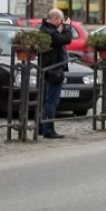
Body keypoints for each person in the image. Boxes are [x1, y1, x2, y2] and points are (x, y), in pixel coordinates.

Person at [38, 9, 72, 139]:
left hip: (48, 70)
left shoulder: (45, 29)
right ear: (53, 19)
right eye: (60, 20)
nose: (61, 23)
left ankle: (42, 128)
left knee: (46, 101)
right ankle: (49, 130)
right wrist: (68, 27)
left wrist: (64, 27)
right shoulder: (49, 32)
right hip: (53, 70)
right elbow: (66, 39)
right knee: (51, 102)